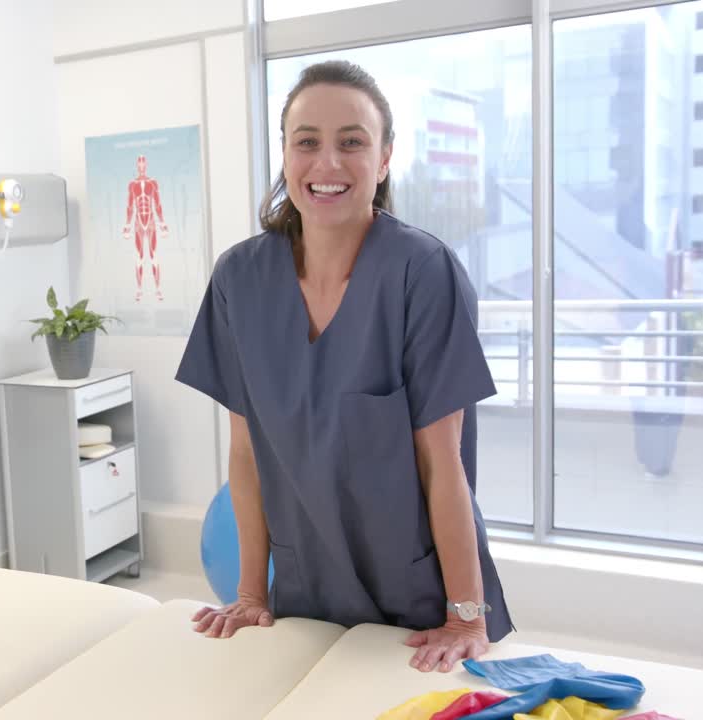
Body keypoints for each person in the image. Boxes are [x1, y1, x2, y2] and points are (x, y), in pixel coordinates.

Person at [174, 60, 513, 673]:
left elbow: (444, 462)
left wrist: (465, 616)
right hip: (304, 588)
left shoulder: (421, 272)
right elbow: (247, 455)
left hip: (419, 602)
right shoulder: (239, 280)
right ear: (285, 154)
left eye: (352, 142)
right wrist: (250, 595)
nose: (327, 164)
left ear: (384, 159)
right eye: (307, 142)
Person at [122, 154, 168, 302]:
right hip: (138, 223)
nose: (141, 165)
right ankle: (139, 289)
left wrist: (162, 224)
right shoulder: (132, 184)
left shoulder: (152, 183)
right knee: (140, 256)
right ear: (137, 165)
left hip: (151, 222)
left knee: (154, 255)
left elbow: (158, 204)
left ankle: (158, 289)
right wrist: (127, 225)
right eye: (139, 162)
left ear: (146, 164)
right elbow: (130, 206)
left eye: (143, 162)